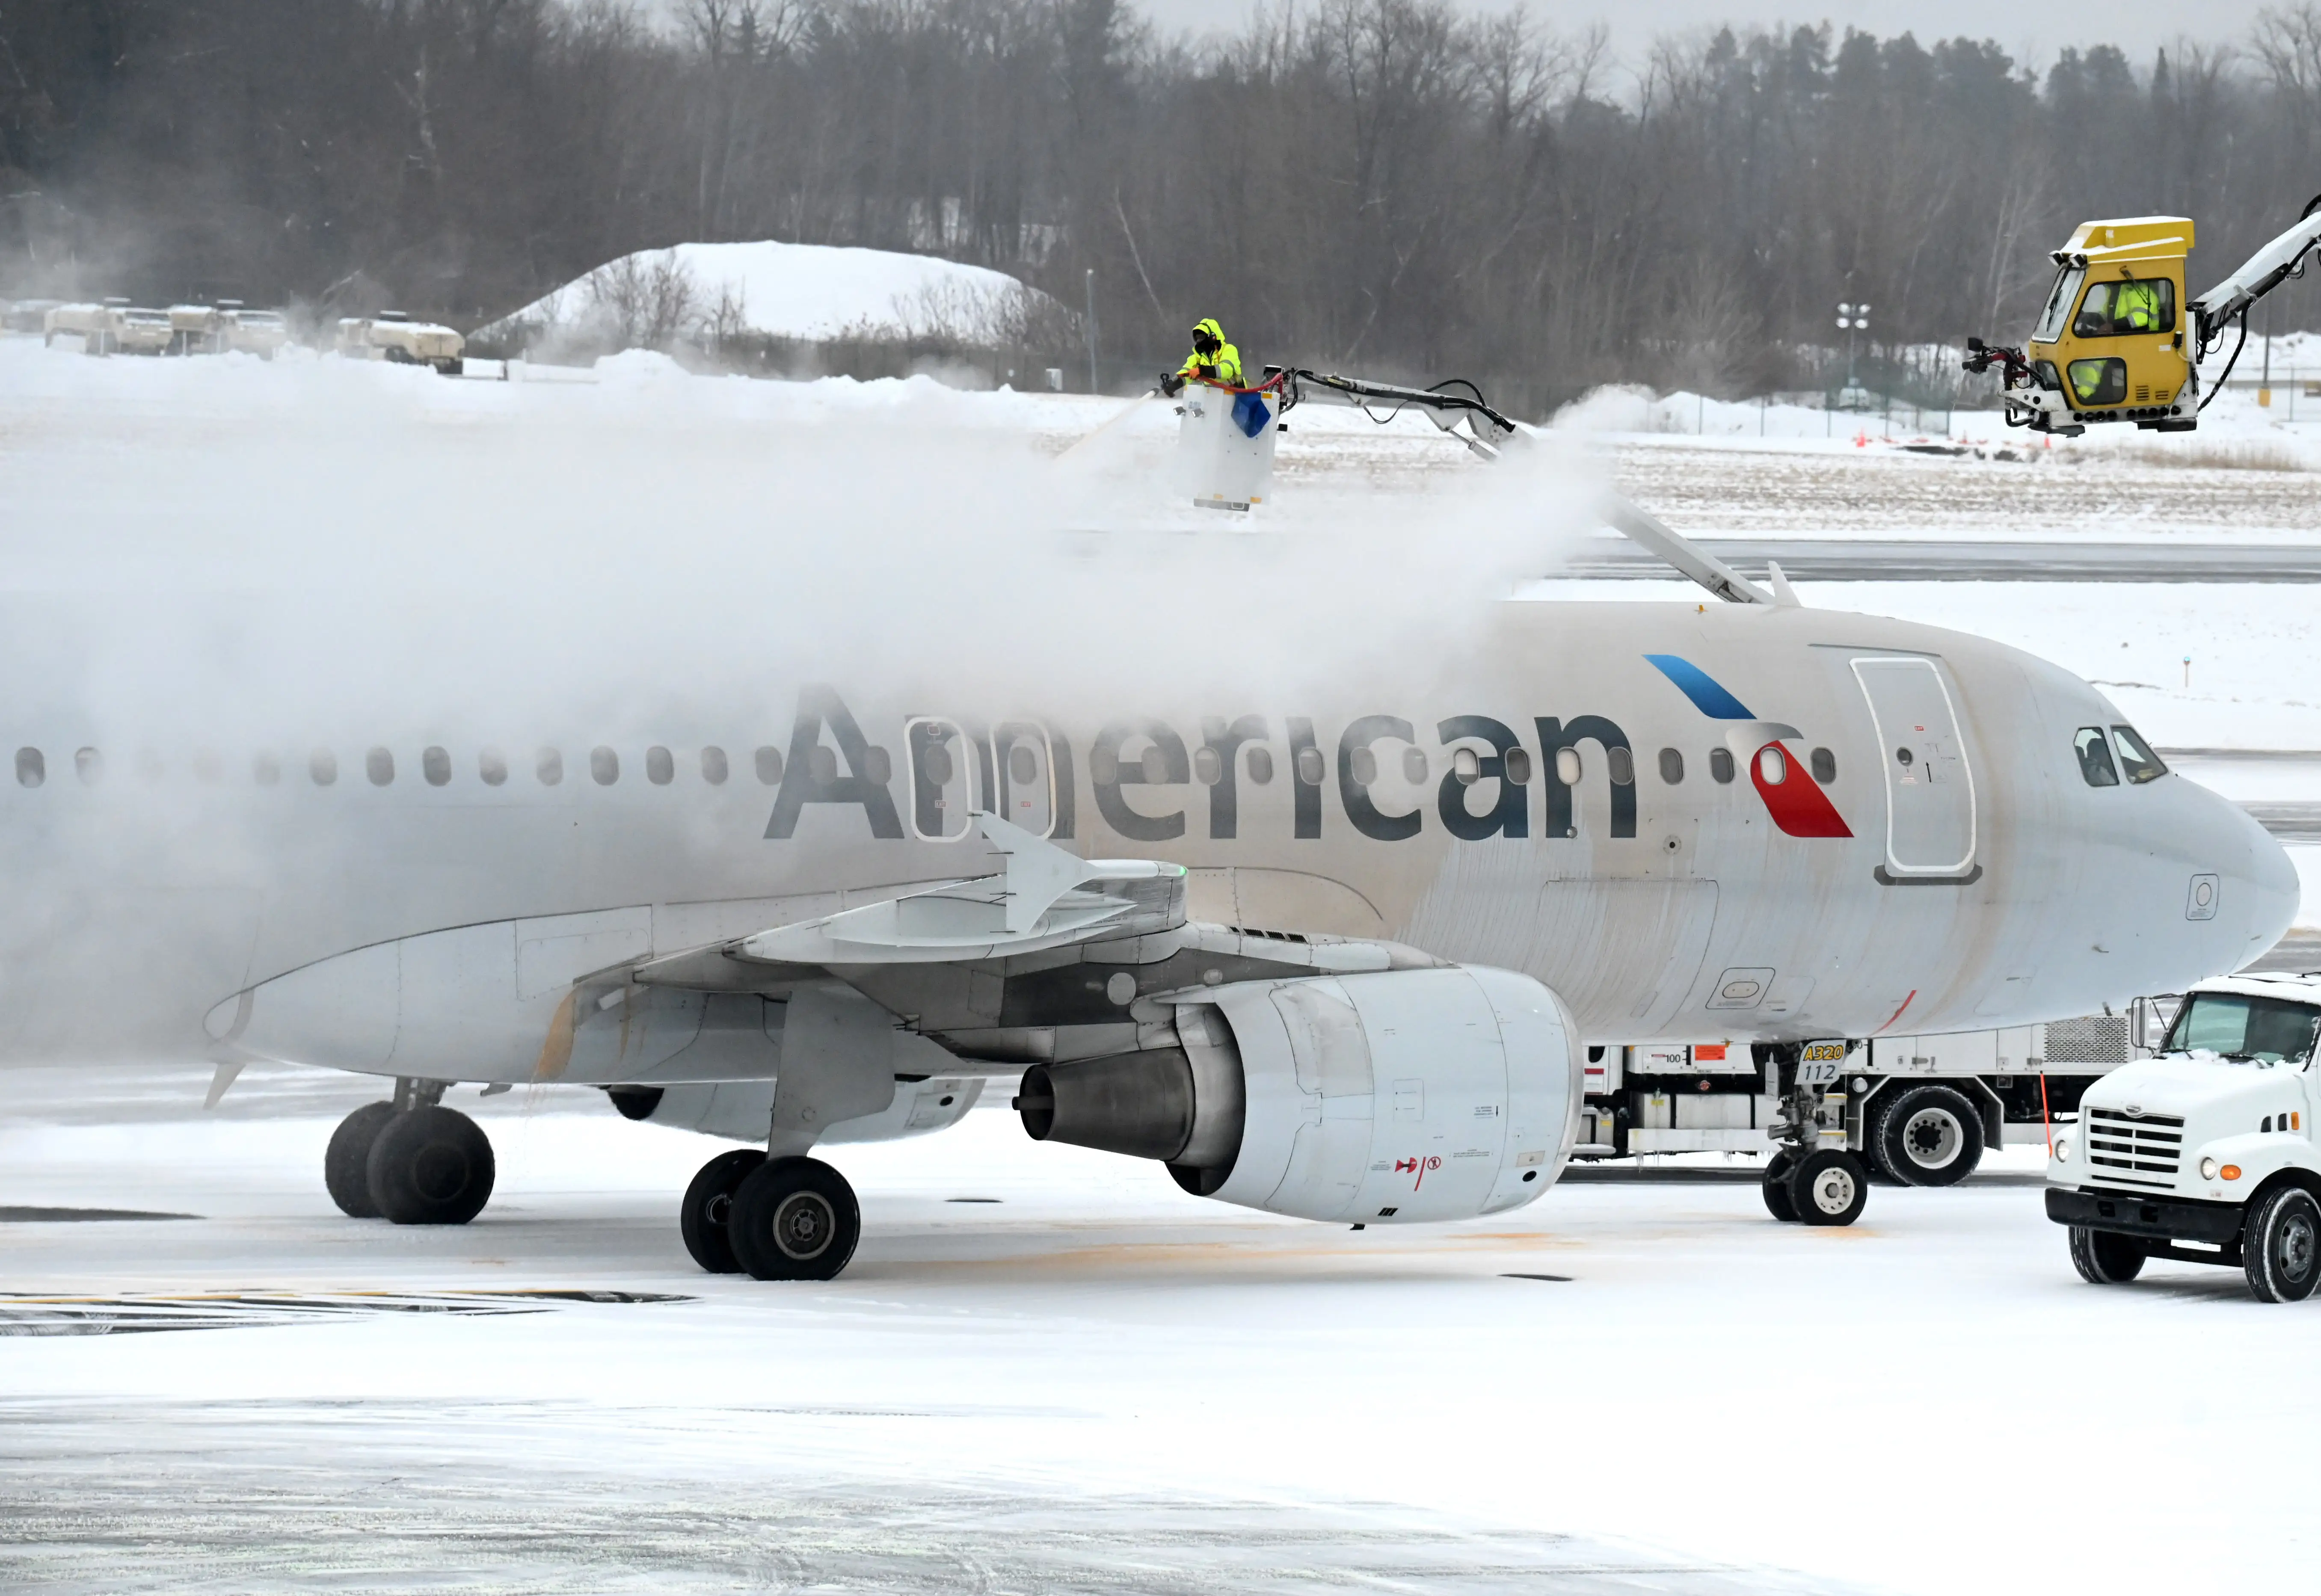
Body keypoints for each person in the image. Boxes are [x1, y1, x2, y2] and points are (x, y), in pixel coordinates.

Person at [1159, 318, 1242, 395]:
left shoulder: (1229, 350)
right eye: (1197, 338)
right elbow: (1187, 372)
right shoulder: (1197, 357)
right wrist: (1174, 385)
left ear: (1213, 337)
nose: (1199, 341)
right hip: (1212, 397)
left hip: (1237, 396)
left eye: (1202, 337)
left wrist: (1201, 371)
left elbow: (1226, 370)